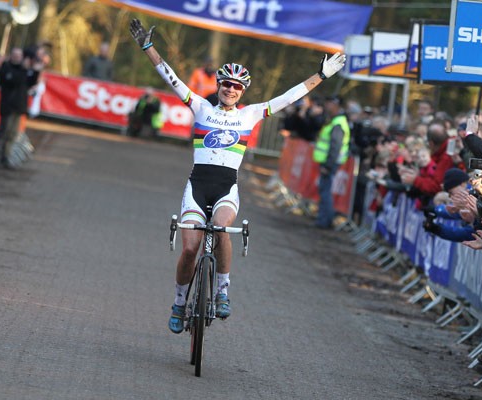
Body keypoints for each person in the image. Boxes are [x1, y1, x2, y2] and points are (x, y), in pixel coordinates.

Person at [128, 18, 346, 334]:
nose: (230, 89)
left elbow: (289, 97)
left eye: (236, 86)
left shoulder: (250, 114)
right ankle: (178, 302)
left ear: (242, 92)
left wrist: (322, 75)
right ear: (218, 86)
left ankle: (222, 291)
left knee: (221, 229)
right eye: (225, 84)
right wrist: (148, 47)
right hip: (198, 185)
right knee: (189, 249)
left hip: (226, 186)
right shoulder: (201, 107)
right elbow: (171, 78)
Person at [0, 47, 41, 168]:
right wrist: (24, 69)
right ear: (11, 55)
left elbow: (30, 82)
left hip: (19, 107)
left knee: (12, 134)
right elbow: (13, 80)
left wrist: (35, 71)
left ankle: (6, 157)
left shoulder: (23, 70)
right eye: (15, 55)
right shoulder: (6, 68)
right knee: (3, 132)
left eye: (19, 55)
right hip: (8, 106)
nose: (17, 57)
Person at [313, 95, 351, 229]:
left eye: (330, 104)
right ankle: (323, 219)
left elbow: (335, 147)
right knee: (324, 191)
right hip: (328, 162)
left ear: (336, 105)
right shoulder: (335, 120)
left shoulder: (338, 123)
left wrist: (328, 166)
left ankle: (325, 221)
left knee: (325, 191)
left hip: (329, 164)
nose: (327, 106)